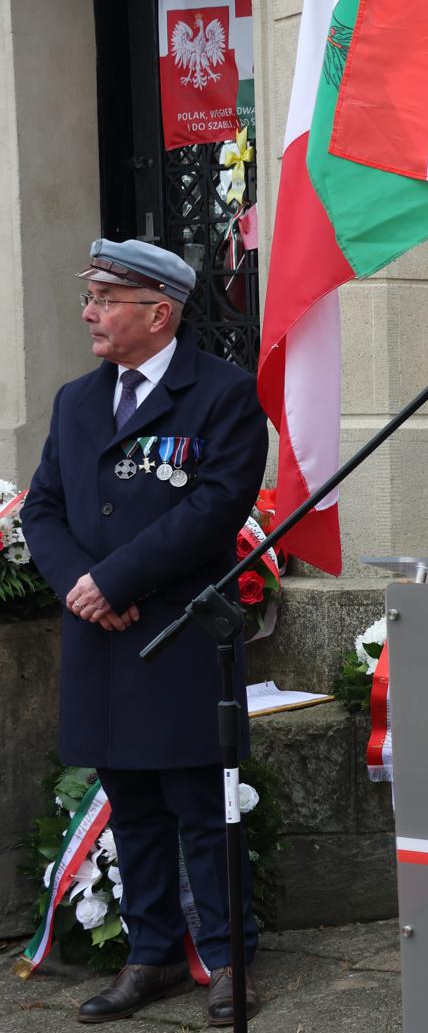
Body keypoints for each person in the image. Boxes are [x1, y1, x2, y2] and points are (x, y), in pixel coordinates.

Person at [21, 239, 268, 1024]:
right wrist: (83, 588)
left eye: (105, 300)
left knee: (203, 806)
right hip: (102, 635)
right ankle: (153, 952)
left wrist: (117, 581)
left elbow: (216, 506)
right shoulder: (76, 400)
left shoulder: (223, 395)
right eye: (90, 297)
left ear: (159, 313)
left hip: (178, 633)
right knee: (131, 806)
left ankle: (228, 959)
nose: (89, 314)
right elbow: (43, 508)